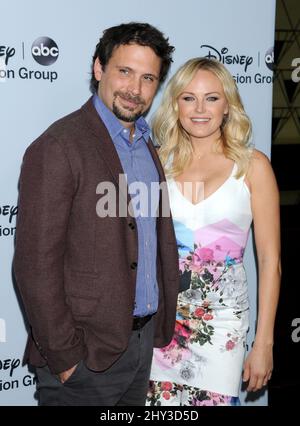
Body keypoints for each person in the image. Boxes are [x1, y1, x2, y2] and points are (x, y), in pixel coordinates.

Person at [13, 22, 179, 406]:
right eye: (124, 71)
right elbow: (34, 264)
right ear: (98, 68)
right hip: (86, 359)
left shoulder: (148, 145)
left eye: (148, 78)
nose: (135, 89)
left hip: (140, 348)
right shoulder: (59, 146)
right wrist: (66, 356)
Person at [146, 58, 281, 406]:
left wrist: (264, 342)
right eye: (189, 98)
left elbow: (270, 261)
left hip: (222, 329)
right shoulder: (156, 164)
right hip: (160, 327)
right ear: (175, 105)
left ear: (228, 106)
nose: (200, 109)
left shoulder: (253, 166)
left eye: (212, 98)